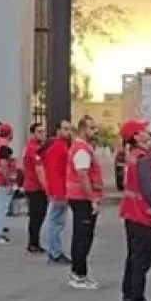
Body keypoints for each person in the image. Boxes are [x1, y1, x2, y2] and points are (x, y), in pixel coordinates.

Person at [118, 118, 151, 301]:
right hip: (142, 213)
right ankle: (139, 300)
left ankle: (128, 296)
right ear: (136, 136)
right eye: (144, 129)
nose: (148, 131)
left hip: (131, 212)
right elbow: (148, 188)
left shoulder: (133, 155)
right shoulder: (143, 158)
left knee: (133, 256)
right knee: (142, 259)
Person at [66, 115, 105, 290]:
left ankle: (80, 273)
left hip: (80, 197)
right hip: (82, 198)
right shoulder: (81, 149)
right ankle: (78, 275)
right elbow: (83, 176)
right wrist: (92, 199)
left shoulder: (83, 147)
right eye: (91, 128)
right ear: (82, 129)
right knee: (82, 237)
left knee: (83, 236)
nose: (95, 131)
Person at [42, 120, 72, 264]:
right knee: (56, 222)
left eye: (70, 129)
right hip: (59, 191)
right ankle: (54, 252)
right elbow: (54, 172)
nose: (68, 132)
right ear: (58, 130)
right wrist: (58, 192)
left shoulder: (61, 146)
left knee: (57, 222)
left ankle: (53, 251)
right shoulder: (58, 147)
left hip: (61, 189)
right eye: (65, 129)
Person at [22, 122, 49, 254]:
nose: (43, 134)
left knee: (38, 216)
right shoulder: (33, 149)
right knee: (36, 216)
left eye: (44, 131)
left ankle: (34, 243)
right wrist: (47, 189)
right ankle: (33, 244)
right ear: (33, 134)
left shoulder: (34, 147)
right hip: (35, 188)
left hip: (34, 186)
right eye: (39, 132)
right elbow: (39, 171)